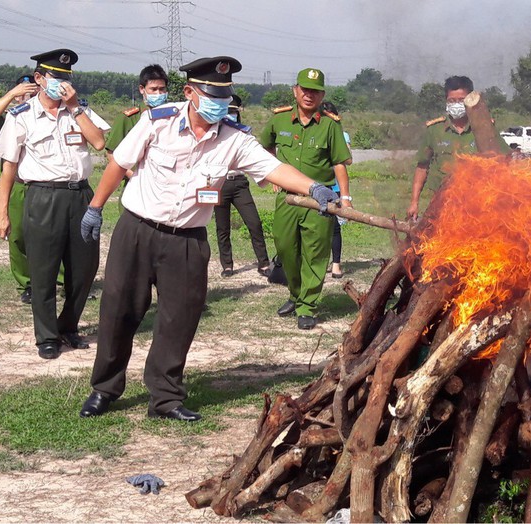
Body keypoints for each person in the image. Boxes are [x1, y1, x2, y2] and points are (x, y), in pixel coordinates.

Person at [77, 56, 338, 421]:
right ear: (189, 92)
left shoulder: (234, 139)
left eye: (224, 95)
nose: (219, 102)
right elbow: (119, 162)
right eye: (211, 94)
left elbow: (274, 168)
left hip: (187, 242)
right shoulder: (157, 121)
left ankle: (165, 399)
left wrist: (313, 186)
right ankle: (104, 389)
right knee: (118, 312)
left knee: (179, 319)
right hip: (137, 230)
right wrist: (95, 206)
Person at [0, 48, 110, 360]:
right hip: (42, 196)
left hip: (81, 196)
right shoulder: (21, 116)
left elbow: (99, 142)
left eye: (66, 79)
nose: (61, 84)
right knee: (42, 270)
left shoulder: (80, 110)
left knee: (85, 268)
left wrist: (75, 109)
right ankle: (46, 336)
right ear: (39, 79)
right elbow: (8, 168)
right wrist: (2, 212)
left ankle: (68, 325)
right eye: (55, 78)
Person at [259, 68, 352, 330]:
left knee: (315, 253)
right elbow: (265, 146)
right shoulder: (279, 120)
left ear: (322, 95)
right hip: (288, 199)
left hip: (319, 202)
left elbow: (339, 164)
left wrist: (345, 197)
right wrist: (273, 174)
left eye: (315, 91)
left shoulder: (330, 124)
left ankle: (307, 306)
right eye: (304, 89)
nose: (308, 95)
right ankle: (295, 294)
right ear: (295, 91)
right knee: (286, 248)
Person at [407, 75, 510, 220]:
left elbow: (504, 162)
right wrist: (414, 202)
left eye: (461, 100)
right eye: (451, 100)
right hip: (441, 205)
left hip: (477, 206)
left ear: (469, 101)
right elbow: (422, 167)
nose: (456, 104)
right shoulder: (435, 130)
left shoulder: (484, 129)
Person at [0, 75, 40, 304]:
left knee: (57, 233)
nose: (28, 96)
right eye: (24, 92)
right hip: (18, 185)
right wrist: (11, 95)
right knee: (18, 237)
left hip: (44, 184)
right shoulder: (12, 119)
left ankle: (64, 281)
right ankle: (28, 284)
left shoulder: (46, 116)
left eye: (32, 91)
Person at [214, 94, 272, 278]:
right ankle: (227, 265)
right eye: (227, 111)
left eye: (234, 111)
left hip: (239, 183)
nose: (230, 115)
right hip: (220, 183)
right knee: (222, 227)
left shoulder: (243, 133)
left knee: (254, 222)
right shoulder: (215, 132)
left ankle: (263, 263)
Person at [104, 64, 169, 214]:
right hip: (135, 187)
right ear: (142, 89)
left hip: (165, 191)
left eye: (162, 89)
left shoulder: (174, 117)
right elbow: (111, 153)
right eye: (153, 89)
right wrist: (132, 174)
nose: (158, 93)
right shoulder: (128, 118)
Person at [319, 100, 352, 279]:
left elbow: (347, 160)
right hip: (317, 185)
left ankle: (336, 264)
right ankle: (320, 262)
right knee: (317, 226)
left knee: (334, 227)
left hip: (335, 187)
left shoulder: (342, 135)